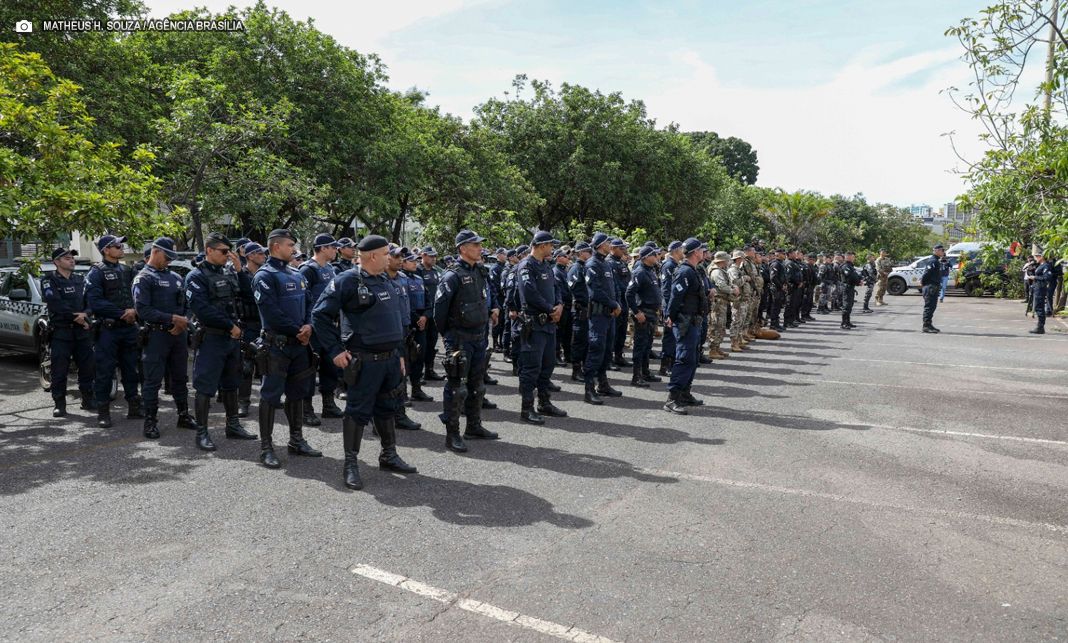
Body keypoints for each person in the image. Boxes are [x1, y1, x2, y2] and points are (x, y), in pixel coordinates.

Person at [310, 234, 418, 490]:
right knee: (357, 412)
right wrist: (335, 350)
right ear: (372, 256)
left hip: (390, 359)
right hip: (364, 361)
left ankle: (388, 455)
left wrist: (400, 355)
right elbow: (319, 315)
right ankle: (351, 464)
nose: (390, 257)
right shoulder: (347, 280)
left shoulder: (386, 280)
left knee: (388, 407)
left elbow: (394, 321)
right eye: (386, 253)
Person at [252, 229, 322, 469]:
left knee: (297, 393)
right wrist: (298, 330)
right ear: (275, 247)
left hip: (299, 346)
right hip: (277, 346)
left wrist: (309, 326)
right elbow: (271, 312)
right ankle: (266, 448)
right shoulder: (265, 275)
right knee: (270, 396)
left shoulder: (295, 273)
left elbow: (310, 303)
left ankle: (296, 440)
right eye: (290, 244)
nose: (294, 248)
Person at [185, 232, 258, 446]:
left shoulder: (229, 273)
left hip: (232, 339)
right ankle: (202, 433)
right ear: (209, 250)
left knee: (231, 383)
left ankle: (232, 425)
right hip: (212, 338)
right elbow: (203, 309)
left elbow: (249, 295)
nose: (228, 255)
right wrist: (230, 326)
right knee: (205, 386)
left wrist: (239, 270)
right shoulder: (196, 276)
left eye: (230, 252)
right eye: (224, 252)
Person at [434, 230, 501, 453]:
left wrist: (493, 311)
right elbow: (439, 311)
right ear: (462, 248)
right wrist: (449, 338)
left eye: (479, 245)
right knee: (456, 388)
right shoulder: (452, 275)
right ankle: (452, 434)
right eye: (475, 245)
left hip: (479, 337)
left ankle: (473, 426)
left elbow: (486, 297)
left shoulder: (481, 271)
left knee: (477, 385)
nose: (479, 248)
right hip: (459, 339)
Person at [133, 237, 201, 442]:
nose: (169, 261)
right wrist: (172, 319)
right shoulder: (143, 278)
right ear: (154, 251)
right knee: (152, 381)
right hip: (156, 336)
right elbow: (142, 309)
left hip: (177, 336)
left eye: (172, 257)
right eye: (166, 256)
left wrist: (183, 321)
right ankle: (151, 421)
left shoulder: (176, 277)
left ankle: (183, 415)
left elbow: (188, 304)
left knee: (180, 378)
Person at [85, 234, 143, 428]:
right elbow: (95, 302)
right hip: (108, 330)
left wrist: (134, 311)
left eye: (121, 245)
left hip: (128, 329)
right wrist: (121, 313)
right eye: (116, 246)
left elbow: (135, 296)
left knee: (131, 369)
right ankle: (103, 412)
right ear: (106, 250)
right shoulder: (96, 272)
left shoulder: (127, 270)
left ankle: (134, 407)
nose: (121, 248)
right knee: (105, 372)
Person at [516, 231, 567, 424]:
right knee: (531, 368)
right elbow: (529, 292)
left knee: (548, 364)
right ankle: (526, 408)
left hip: (549, 324)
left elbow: (556, 288)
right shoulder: (526, 266)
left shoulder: (546, 265)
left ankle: (544, 403)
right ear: (541, 245)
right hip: (534, 323)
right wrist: (550, 308)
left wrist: (559, 305)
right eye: (550, 245)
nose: (552, 248)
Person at [42, 247, 96, 417]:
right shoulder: (49, 280)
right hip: (61, 333)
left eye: (72, 258)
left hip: (82, 333)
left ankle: (87, 399)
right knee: (59, 370)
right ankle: (59, 404)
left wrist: (86, 315)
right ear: (56, 262)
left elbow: (90, 302)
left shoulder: (80, 280)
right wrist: (75, 317)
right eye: (66, 258)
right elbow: (55, 303)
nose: (71, 260)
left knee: (87, 368)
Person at [299, 233, 344, 426]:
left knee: (330, 365)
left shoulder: (331, 269)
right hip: (314, 326)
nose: (336, 250)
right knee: (310, 367)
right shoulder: (308, 270)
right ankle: (306, 409)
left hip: (330, 325)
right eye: (333, 247)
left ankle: (328, 403)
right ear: (323, 248)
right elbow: (303, 300)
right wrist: (307, 324)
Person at [663, 237, 707, 414]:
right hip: (684, 321)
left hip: (694, 320)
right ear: (695, 252)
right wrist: (670, 317)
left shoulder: (693, 270)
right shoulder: (684, 272)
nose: (704, 252)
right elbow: (675, 297)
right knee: (684, 358)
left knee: (693, 358)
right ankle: (672, 399)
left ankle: (685, 393)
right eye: (702, 250)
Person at [583, 233, 623, 405]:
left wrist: (616, 304)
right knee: (596, 349)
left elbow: (613, 288)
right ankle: (589, 388)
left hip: (609, 314)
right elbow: (595, 292)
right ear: (600, 245)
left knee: (607, 350)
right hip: (598, 315)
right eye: (607, 242)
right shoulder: (592, 264)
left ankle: (603, 383)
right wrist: (614, 304)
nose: (609, 244)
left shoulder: (605, 263)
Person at [625, 244, 664, 386]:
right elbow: (629, 294)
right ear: (646, 257)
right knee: (640, 345)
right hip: (644, 313)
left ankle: (645, 372)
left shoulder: (650, 270)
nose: (657, 256)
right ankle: (636, 376)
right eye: (654, 254)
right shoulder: (640, 271)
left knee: (647, 345)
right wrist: (636, 312)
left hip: (652, 314)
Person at [236, 242, 266, 417]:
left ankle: (268, 398)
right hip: (249, 324)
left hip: (264, 323)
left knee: (266, 362)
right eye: (259, 253)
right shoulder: (241, 274)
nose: (263, 256)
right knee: (246, 366)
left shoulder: (265, 273)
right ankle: (243, 402)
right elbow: (247, 292)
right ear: (250, 256)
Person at [416, 246, 444, 382]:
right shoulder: (417, 271)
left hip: (434, 313)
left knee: (432, 344)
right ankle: (418, 373)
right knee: (421, 345)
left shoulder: (435, 271)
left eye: (435, 256)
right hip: (422, 313)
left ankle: (429, 370)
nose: (434, 259)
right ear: (423, 255)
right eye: (431, 256)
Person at [567, 242, 593, 382]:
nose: (590, 253)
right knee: (579, 341)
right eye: (588, 251)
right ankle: (576, 370)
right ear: (581, 252)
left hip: (588, 309)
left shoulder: (585, 267)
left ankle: (583, 367)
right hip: (580, 309)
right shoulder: (576, 268)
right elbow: (574, 289)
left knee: (586, 341)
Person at [658, 241, 684, 374]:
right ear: (675, 250)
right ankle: (665, 365)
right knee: (669, 337)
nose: (683, 251)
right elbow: (667, 290)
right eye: (681, 249)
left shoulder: (676, 265)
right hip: (669, 306)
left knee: (674, 337)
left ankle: (672, 362)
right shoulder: (669, 265)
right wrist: (669, 311)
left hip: (674, 306)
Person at [607, 238, 632, 368]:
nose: (624, 250)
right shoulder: (609, 263)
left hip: (624, 300)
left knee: (622, 331)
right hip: (617, 300)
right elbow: (614, 285)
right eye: (621, 248)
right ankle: (609, 358)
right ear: (613, 248)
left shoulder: (621, 263)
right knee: (614, 332)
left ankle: (618, 355)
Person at [706, 251, 735, 358]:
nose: (728, 262)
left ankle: (717, 348)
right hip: (718, 302)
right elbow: (722, 286)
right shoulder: (716, 272)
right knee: (716, 325)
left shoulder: (721, 270)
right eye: (727, 260)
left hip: (722, 301)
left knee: (721, 325)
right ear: (722, 261)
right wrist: (732, 290)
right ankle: (713, 349)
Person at [552, 249, 573, 366]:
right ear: (558, 258)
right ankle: (556, 355)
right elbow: (560, 291)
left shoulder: (565, 271)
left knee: (568, 332)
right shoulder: (556, 272)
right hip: (562, 306)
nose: (568, 258)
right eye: (565, 256)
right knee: (559, 332)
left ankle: (568, 354)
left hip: (569, 306)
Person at [727, 250, 749, 352]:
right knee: (736, 321)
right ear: (739, 258)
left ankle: (739, 340)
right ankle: (734, 342)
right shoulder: (733, 270)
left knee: (741, 320)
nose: (744, 260)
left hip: (743, 299)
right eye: (743, 258)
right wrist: (744, 278)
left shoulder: (739, 269)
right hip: (737, 300)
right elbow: (735, 282)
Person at [920, 244, 945, 333]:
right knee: (929, 307)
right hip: (930, 286)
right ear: (936, 250)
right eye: (942, 250)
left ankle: (929, 324)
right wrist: (923, 283)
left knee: (932, 307)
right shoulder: (933, 261)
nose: (943, 252)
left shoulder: (936, 260)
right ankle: (926, 326)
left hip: (933, 286)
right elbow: (927, 273)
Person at [1027, 248, 1051, 334]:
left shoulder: (1046, 266)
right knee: (1037, 307)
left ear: (1042, 257)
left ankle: (1040, 327)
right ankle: (1040, 326)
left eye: (1037, 256)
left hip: (1041, 288)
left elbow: (1047, 278)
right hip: (1037, 288)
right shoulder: (1040, 265)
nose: (1036, 257)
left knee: (1039, 307)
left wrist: (1035, 277)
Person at [839, 251, 862, 330]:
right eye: (852, 257)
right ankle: (844, 323)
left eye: (853, 257)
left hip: (851, 287)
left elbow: (855, 275)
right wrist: (858, 281)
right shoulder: (845, 266)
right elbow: (850, 276)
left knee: (850, 305)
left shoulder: (850, 266)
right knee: (846, 305)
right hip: (846, 287)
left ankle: (848, 322)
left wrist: (859, 281)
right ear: (847, 257)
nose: (853, 258)